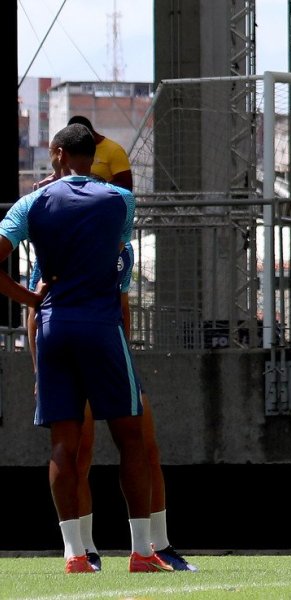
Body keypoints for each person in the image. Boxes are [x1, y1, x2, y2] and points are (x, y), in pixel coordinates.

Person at [0, 123, 170, 573]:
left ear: (56, 153)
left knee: (65, 445)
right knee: (131, 439)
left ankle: (75, 554)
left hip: (53, 325)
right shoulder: (120, 199)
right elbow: (119, 253)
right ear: (92, 155)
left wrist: (30, 298)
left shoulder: (31, 202)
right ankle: (141, 552)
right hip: (100, 323)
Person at [25, 243, 197, 572]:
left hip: (107, 351)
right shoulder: (55, 245)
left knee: (146, 446)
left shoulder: (122, 248)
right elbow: (35, 308)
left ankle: (157, 546)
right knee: (78, 451)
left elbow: (122, 304)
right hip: (70, 354)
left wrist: (125, 358)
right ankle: (82, 550)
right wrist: (38, 371)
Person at [66, 116, 133, 191]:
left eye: (80, 139)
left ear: (90, 133)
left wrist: (98, 186)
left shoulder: (114, 150)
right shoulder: (76, 149)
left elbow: (126, 185)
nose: (77, 143)